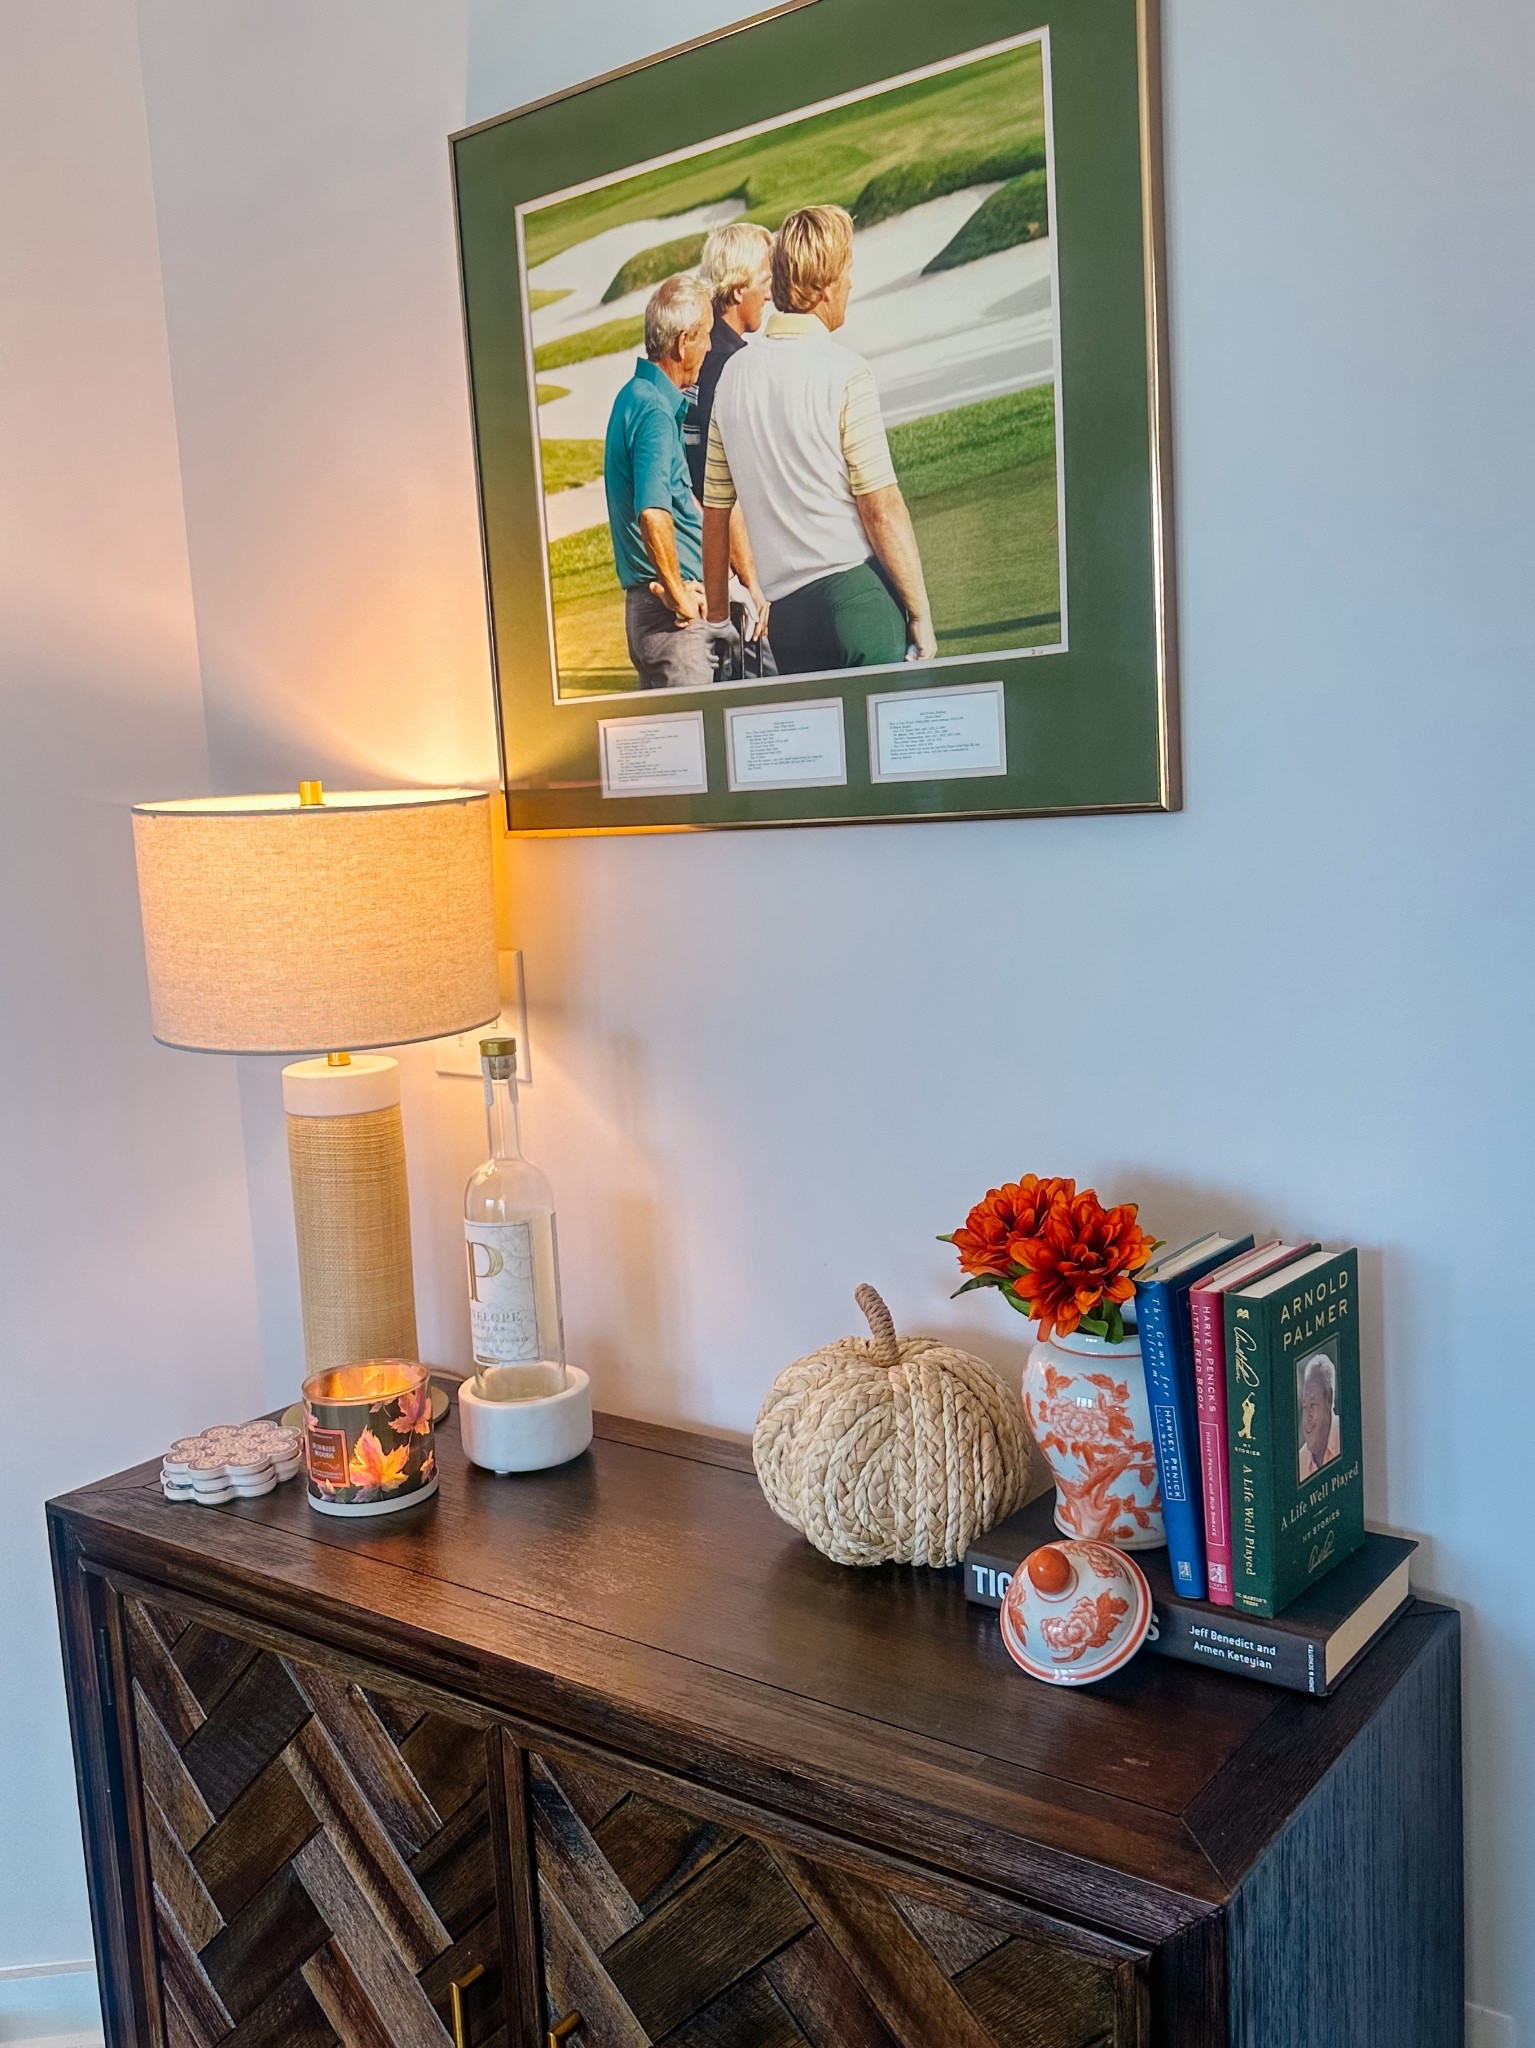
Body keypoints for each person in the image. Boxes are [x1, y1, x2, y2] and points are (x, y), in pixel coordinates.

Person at [700, 203, 935, 676]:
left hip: (790, 623)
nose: (851, 283)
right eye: (847, 271)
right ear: (825, 286)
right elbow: (881, 508)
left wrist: (720, 617)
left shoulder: (731, 377)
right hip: (858, 602)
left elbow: (715, 513)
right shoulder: (846, 371)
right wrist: (920, 614)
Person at [602, 274, 736, 689]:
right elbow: (653, 514)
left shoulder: (636, 395)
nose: (710, 347)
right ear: (683, 343)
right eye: (705, 336)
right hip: (673, 623)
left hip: (661, 615)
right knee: (699, 727)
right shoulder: (655, 412)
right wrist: (680, 596)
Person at [683, 221, 775, 672]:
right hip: (737, 580)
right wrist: (753, 581)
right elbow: (718, 489)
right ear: (739, 290)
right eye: (765, 281)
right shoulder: (730, 366)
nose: (770, 294)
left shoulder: (706, 354)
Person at [1298, 1354, 1341, 1479]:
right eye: (1305, 1406)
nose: (1307, 1419)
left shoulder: (1348, 1435)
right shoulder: (1300, 1462)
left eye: (1313, 1404)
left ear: (1329, 1399)